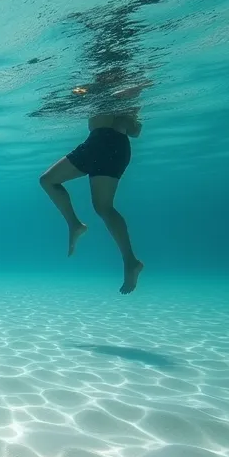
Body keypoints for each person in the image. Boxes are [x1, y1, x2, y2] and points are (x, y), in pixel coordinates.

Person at [37, 72, 150, 294]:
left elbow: (134, 128)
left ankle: (75, 225)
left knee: (49, 181)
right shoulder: (104, 90)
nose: (101, 75)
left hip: (103, 142)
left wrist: (128, 112)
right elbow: (135, 131)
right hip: (109, 145)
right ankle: (129, 260)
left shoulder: (121, 89)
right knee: (103, 207)